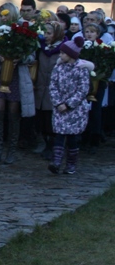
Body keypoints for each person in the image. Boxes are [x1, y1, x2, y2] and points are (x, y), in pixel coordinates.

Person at [0, 2, 35, 165]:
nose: (4, 17)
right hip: (0, 73)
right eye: (1, 14)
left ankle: (11, 149)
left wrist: (20, 58)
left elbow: (31, 55)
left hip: (17, 75)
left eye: (6, 14)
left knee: (13, 111)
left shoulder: (23, 28)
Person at [48, 38, 90, 174]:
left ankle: (71, 164)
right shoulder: (58, 67)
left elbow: (83, 89)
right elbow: (53, 85)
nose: (60, 55)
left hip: (75, 110)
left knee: (72, 138)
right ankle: (56, 162)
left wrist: (69, 104)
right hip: (60, 108)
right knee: (59, 135)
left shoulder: (81, 69)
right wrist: (58, 103)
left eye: (63, 53)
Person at [35, 21, 65, 160]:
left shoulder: (63, 50)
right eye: (44, 33)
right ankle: (46, 143)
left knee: (52, 120)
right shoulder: (41, 48)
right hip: (41, 87)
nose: (46, 36)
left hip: (55, 91)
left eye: (49, 33)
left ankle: (53, 146)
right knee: (42, 120)